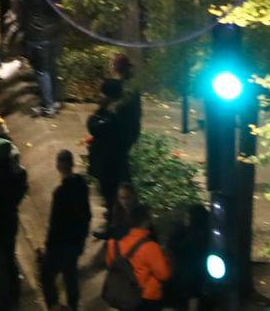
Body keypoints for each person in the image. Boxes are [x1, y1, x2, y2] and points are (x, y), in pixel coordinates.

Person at [38, 148, 90, 311]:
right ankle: (72, 306)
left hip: (59, 244)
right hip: (75, 242)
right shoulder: (81, 185)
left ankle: (54, 306)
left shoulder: (60, 193)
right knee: (70, 276)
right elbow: (86, 215)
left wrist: (49, 244)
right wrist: (81, 238)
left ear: (58, 166)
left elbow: (55, 223)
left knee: (46, 277)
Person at [87, 78, 136, 233]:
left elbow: (94, 127)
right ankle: (114, 225)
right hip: (113, 160)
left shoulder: (114, 114)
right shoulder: (120, 111)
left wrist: (103, 112)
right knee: (112, 196)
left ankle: (114, 229)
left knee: (111, 196)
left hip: (110, 163)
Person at [102, 204, 172, 311]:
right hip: (146, 298)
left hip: (121, 293)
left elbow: (110, 265)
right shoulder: (150, 247)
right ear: (146, 221)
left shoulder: (113, 243)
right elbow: (163, 275)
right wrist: (166, 260)